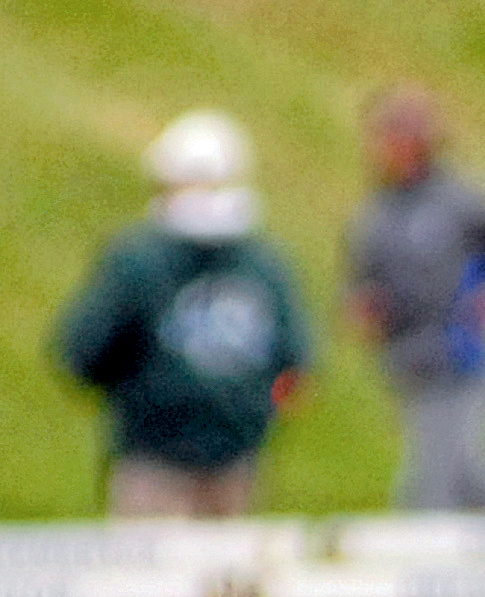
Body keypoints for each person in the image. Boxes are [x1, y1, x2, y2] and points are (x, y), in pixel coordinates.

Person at [52, 111, 311, 517]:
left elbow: (83, 352)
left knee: (159, 578)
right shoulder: (263, 265)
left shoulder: (138, 262)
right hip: (210, 460)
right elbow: (295, 362)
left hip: (174, 461)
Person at [346, 87, 485, 510]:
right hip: (409, 360)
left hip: (461, 354)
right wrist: (366, 306)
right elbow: (364, 279)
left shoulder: (459, 200)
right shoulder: (378, 213)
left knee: (442, 479)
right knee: (464, 474)